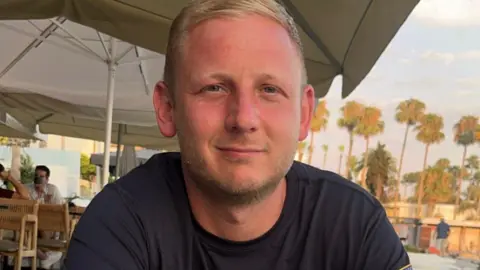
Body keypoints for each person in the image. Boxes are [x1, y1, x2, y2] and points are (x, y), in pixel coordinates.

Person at [64, 0, 411, 269]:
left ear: (304, 114)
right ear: (167, 108)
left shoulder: (354, 227)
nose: (243, 118)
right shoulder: (123, 222)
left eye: (270, 89)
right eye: (214, 87)